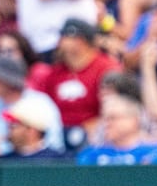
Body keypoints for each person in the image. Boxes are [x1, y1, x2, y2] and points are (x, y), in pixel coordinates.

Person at [34, 18, 122, 154]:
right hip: (59, 138)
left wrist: (93, 126)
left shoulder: (106, 68)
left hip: (97, 136)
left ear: (80, 41)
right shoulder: (55, 73)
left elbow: (117, 107)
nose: (58, 43)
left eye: (63, 37)